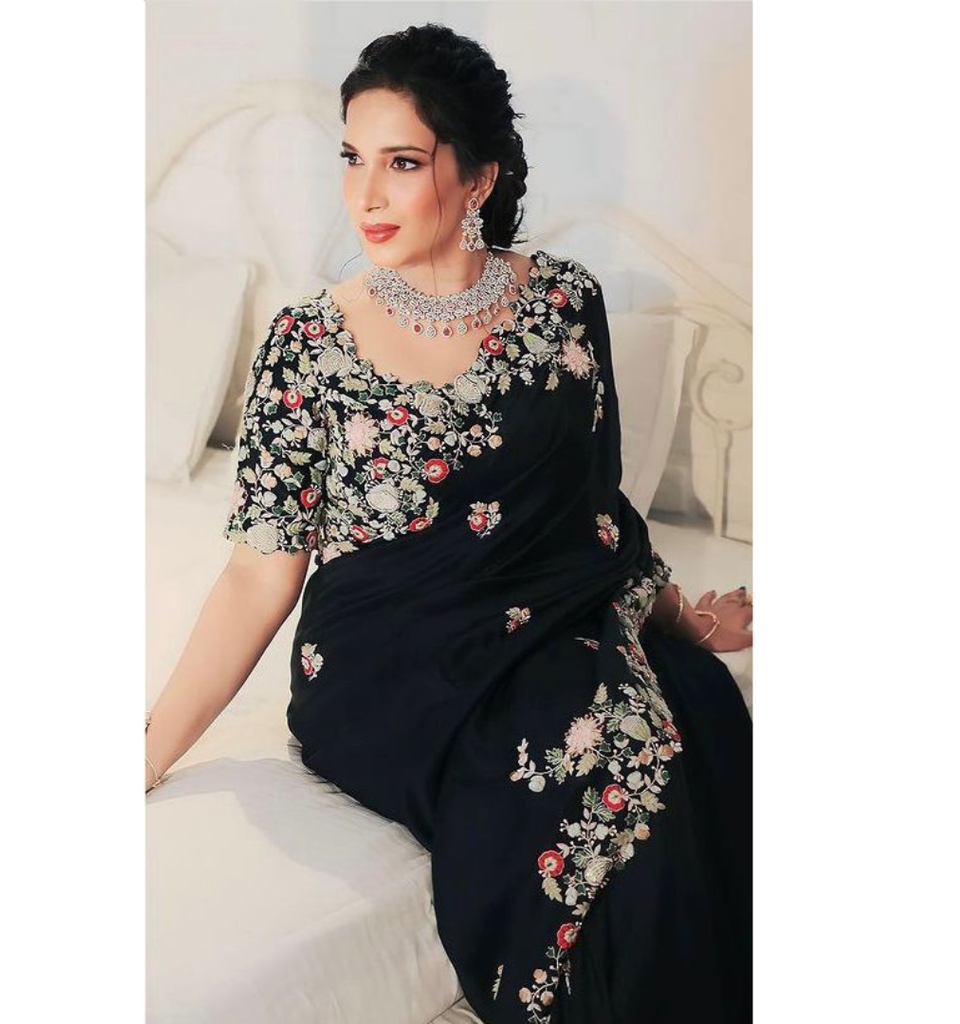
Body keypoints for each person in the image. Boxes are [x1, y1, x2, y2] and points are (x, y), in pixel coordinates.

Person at [145, 23, 753, 1024]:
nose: (365, 196)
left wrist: (677, 618)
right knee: (606, 735)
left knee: (689, 705)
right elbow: (259, 573)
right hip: (383, 666)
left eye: (401, 162)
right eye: (351, 158)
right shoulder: (309, 344)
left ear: (478, 177)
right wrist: (148, 749)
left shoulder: (564, 304)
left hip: (550, 623)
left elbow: (591, 513)